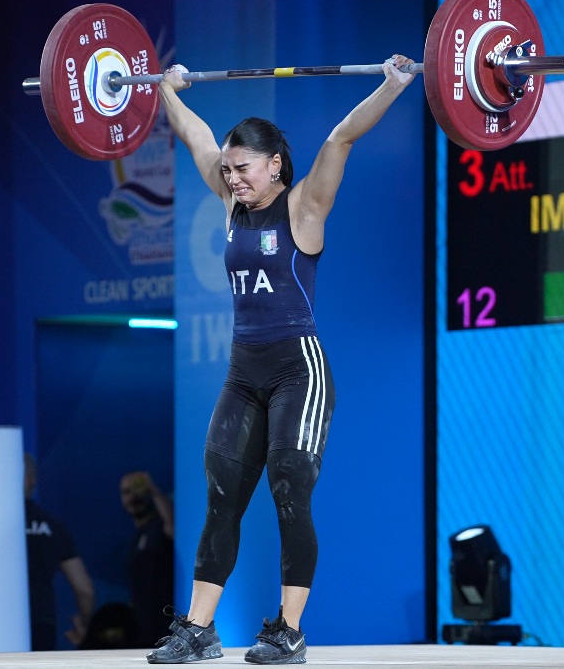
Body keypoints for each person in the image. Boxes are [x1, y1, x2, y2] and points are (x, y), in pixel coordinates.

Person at [146, 55, 415, 665]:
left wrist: (393, 85)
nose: (232, 176)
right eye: (228, 169)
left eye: (242, 169)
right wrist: (166, 88)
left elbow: (341, 136)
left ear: (274, 165)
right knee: (221, 493)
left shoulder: (304, 207)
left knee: (289, 488)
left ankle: (287, 630)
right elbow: (194, 134)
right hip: (244, 371)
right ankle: (199, 629)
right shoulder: (230, 203)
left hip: (299, 369)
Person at [23, 453, 95, 650]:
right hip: (41, 621)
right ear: (32, 480)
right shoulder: (53, 527)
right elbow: (84, 588)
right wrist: (84, 623)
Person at [120, 471, 175, 647]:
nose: (133, 497)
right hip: (142, 627)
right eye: (127, 492)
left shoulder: (161, 527)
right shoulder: (136, 538)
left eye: (137, 490)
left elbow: (172, 525)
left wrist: (151, 489)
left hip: (166, 625)